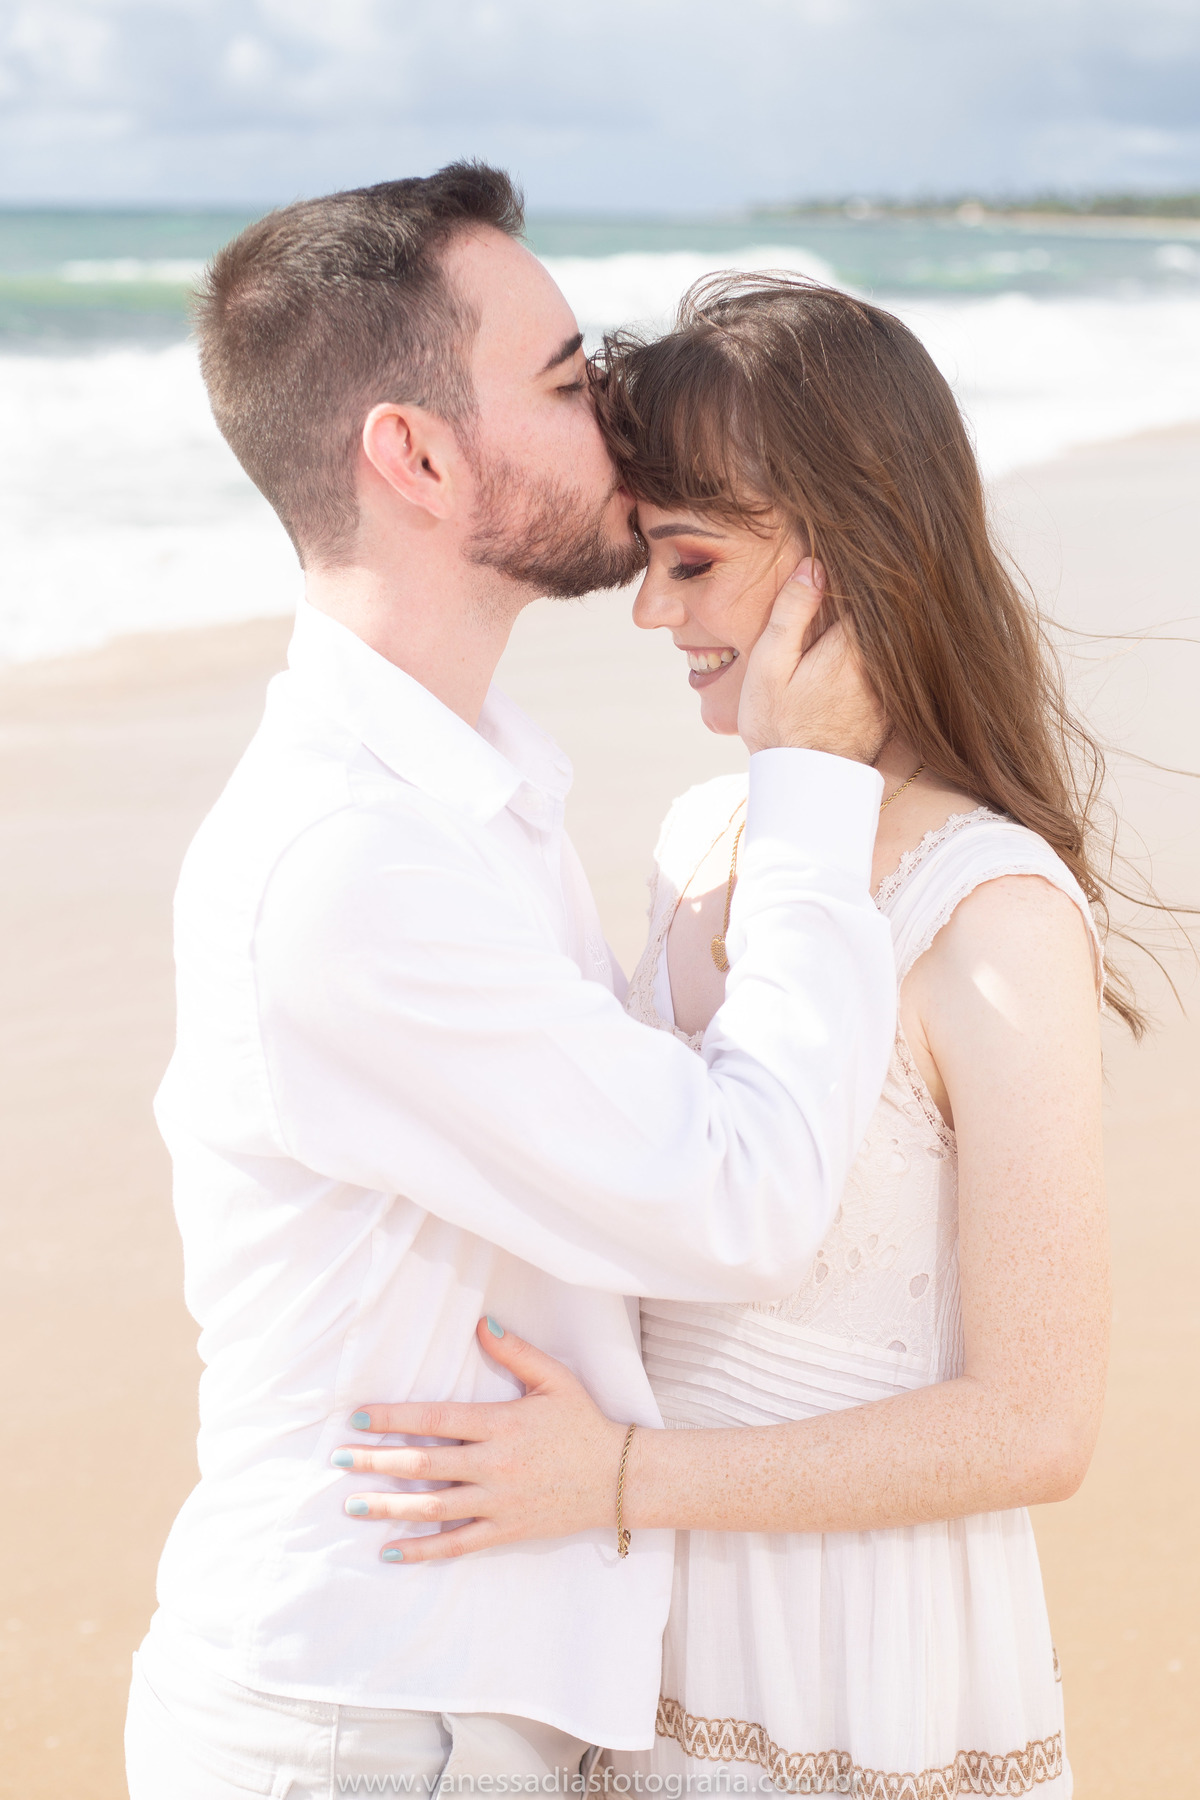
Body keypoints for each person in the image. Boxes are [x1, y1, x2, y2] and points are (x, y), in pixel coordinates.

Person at [126, 175, 899, 1796]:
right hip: (370, 1727)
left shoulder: (459, 799)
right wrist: (813, 783)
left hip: (419, 1700)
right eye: (562, 379)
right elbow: (739, 1203)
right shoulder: (355, 867)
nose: (613, 406)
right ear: (411, 455)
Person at [338, 276, 1115, 1800]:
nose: (650, 609)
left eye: (691, 562)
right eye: (647, 557)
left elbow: (1039, 1425)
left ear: (846, 565)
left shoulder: (992, 913)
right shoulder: (701, 839)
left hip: (859, 1662)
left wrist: (622, 1481)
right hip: (657, 1627)